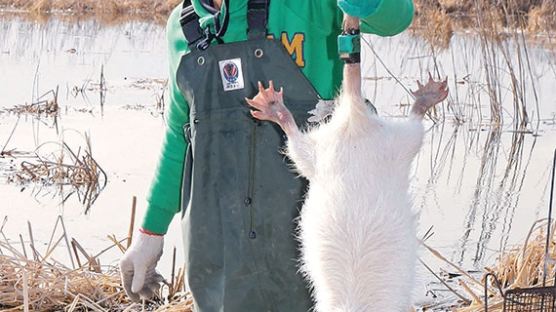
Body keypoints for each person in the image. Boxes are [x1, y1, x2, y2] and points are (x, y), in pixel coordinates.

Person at [120, 0, 414, 311]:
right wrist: (150, 232)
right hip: (221, 261)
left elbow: (396, 19)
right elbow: (180, 135)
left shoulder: (307, 6)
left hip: (314, 256)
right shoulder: (182, 27)